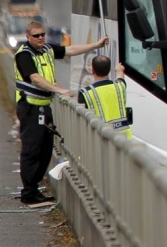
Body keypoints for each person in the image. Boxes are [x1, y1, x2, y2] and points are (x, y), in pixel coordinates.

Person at [15, 21, 108, 205]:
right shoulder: (24, 55)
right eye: (36, 35)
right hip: (31, 108)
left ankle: (34, 190)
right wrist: (58, 90)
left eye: (43, 34)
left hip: (44, 106)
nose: (41, 38)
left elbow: (70, 50)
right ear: (28, 37)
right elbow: (35, 78)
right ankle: (29, 194)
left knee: (46, 150)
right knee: (32, 151)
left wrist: (96, 45)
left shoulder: (46, 49)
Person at [77, 56, 132, 140]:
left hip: (100, 139)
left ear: (92, 70)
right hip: (123, 138)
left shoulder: (85, 93)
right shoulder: (119, 86)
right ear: (109, 70)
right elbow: (120, 76)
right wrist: (119, 69)